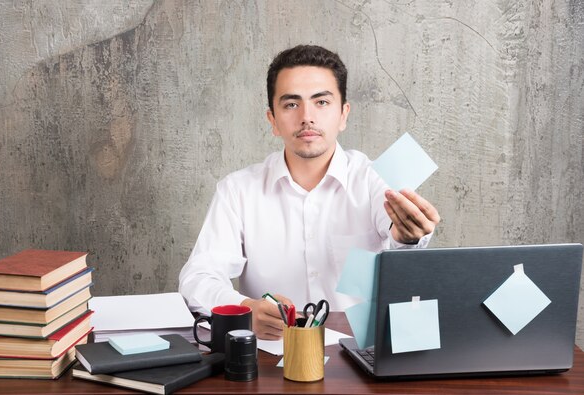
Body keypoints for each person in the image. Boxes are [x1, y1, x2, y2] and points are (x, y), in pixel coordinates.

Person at [179, 45, 440, 340]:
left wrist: (408, 236)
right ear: (273, 120)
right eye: (291, 104)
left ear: (343, 114)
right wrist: (244, 307)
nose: (307, 117)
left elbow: (401, 242)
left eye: (322, 102)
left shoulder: (373, 178)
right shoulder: (238, 190)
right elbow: (198, 277)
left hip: (359, 351)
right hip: (269, 357)